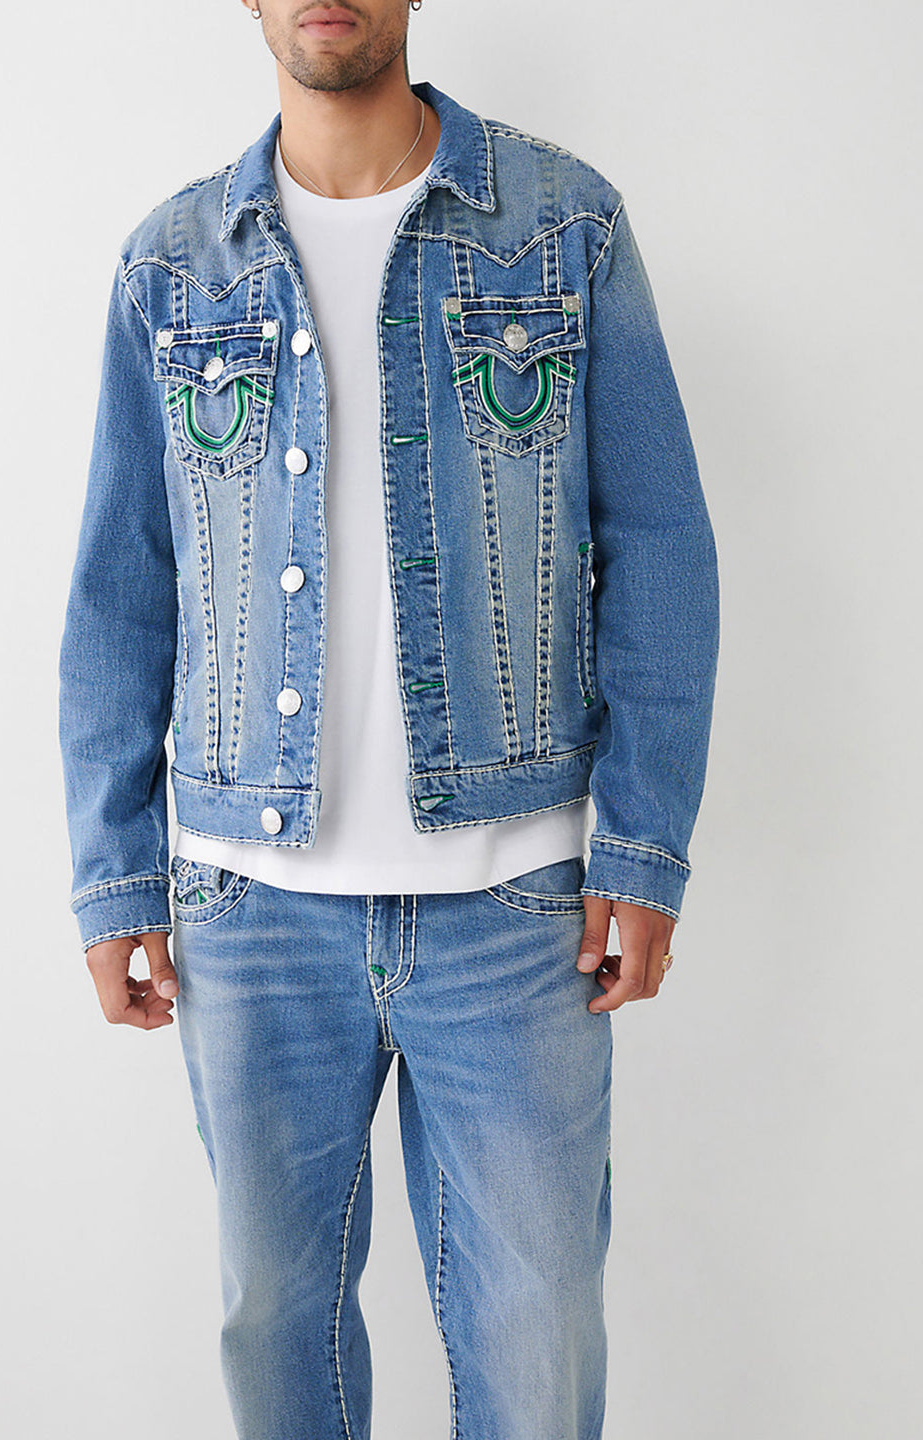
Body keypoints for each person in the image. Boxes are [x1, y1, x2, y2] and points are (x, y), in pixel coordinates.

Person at [57, 2, 720, 1435]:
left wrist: (644, 844)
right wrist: (113, 874)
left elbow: (661, 539)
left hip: (519, 910)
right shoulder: (173, 265)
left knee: (537, 1352)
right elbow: (121, 586)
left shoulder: (564, 225)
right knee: (274, 1333)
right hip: (249, 912)